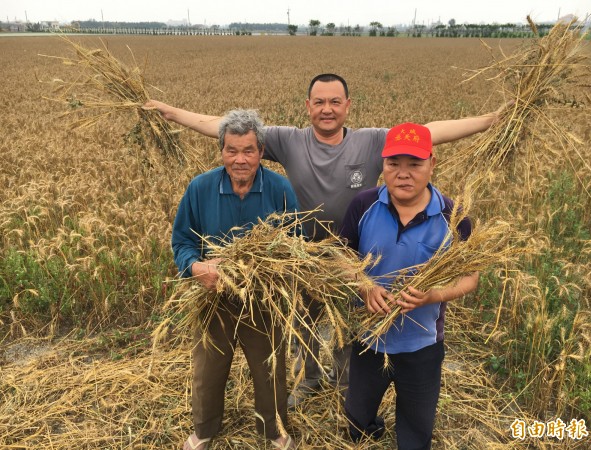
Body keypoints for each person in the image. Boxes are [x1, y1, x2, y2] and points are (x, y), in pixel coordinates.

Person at [147, 73, 499, 408]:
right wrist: (170, 112)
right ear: (308, 106)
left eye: (334, 101)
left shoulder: (372, 140)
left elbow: (427, 132)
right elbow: (227, 130)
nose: (326, 109)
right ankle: (311, 377)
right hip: (302, 252)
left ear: (348, 105)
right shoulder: (288, 140)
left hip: (355, 256)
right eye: (319, 102)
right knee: (304, 320)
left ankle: (348, 382)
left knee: (351, 319)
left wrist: (490, 120)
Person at [339, 122, 479, 449]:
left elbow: (470, 276)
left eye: (414, 164)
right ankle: (369, 425)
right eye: (393, 164)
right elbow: (341, 257)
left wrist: (435, 295)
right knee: (357, 424)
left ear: (432, 163)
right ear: (383, 165)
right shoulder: (363, 205)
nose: (403, 173)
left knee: (415, 438)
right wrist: (364, 285)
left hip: (422, 345)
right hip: (367, 338)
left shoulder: (454, 217)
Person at [172, 109, 298, 450]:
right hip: (213, 296)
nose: (240, 159)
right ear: (221, 151)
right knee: (208, 366)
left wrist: (273, 269)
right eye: (232, 150)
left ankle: (273, 429)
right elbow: (182, 241)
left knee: (269, 366)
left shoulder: (279, 188)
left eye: (248, 150)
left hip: (263, 298)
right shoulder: (200, 188)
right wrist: (197, 269)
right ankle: (204, 428)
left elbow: (295, 241)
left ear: (261, 151)